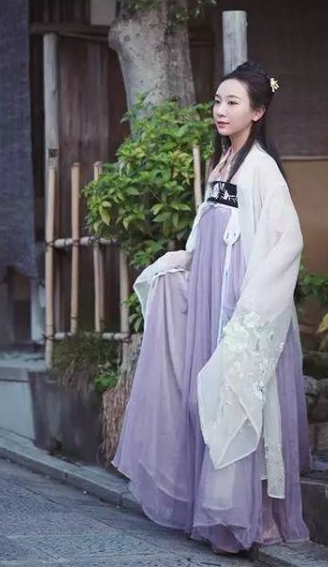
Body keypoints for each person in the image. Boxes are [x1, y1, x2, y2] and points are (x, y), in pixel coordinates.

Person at [112, 61, 311, 555]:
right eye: (218, 101)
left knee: (235, 398)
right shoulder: (224, 163)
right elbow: (206, 232)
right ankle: (212, 511)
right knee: (206, 397)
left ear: (257, 112)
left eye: (232, 102)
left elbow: (287, 241)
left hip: (240, 302)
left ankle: (246, 517)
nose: (221, 110)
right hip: (210, 297)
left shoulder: (262, 169)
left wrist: (252, 308)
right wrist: (181, 263)